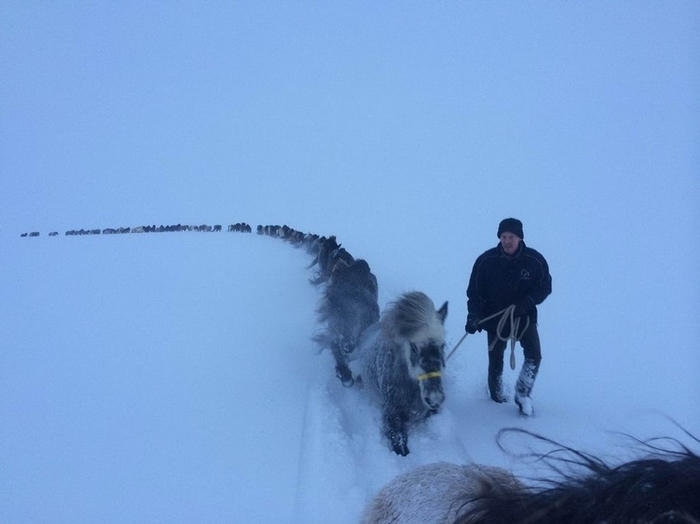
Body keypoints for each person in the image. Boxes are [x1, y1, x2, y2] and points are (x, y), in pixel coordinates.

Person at [465, 218, 552, 416]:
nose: (506, 241)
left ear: (520, 238)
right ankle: (495, 396)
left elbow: (545, 287)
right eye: (503, 237)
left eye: (510, 237)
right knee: (495, 359)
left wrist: (528, 301)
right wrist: (473, 316)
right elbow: (474, 293)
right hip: (494, 319)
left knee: (534, 355)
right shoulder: (486, 261)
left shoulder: (535, 260)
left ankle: (523, 393)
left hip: (524, 318)